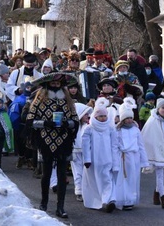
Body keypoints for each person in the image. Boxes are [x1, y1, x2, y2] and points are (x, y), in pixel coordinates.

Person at [25, 71, 79, 218]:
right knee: (46, 173)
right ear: (47, 84)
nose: (56, 86)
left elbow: (75, 120)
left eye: (58, 83)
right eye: (53, 83)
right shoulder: (39, 100)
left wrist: (67, 123)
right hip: (45, 140)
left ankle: (60, 207)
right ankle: (44, 203)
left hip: (64, 140)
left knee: (62, 175)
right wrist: (45, 123)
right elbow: (30, 121)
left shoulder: (68, 101)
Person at [141, 94, 164, 209]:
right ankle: (163, 197)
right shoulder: (153, 121)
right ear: (158, 109)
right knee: (159, 173)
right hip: (157, 151)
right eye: (163, 108)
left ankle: (156, 195)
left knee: (163, 173)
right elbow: (147, 136)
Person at [81, 97, 119, 213]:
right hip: (94, 160)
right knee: (96, 180)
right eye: (100, 116)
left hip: (108, 159)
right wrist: (87, 159)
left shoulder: (110, 128)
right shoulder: (89, 129)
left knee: (108, 179)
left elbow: (114, 145)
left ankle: (109, 200)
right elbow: (86, 145)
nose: (103, 118)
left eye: (104, 116)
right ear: (95, 117)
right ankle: (100, 200)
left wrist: (115, 161)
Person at [114, 97, 149, 211]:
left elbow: (141, 145)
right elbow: (115, 145)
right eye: (126, 118)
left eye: (130, 117)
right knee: (123, 178)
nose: (129, 120)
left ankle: (130, 199)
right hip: (123, 157)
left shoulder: (135, 130)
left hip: (134, 157)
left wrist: (144, 161)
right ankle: (123, 199)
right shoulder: (118, 130)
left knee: (133, 178)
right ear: (122, 119)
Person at [70, 102, 93, 202]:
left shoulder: (87, 126)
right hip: (75, 151)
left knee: (86, 172)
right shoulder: (73, 127)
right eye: (85, 114)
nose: (88, 116)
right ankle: (79, 190)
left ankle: (87, 190)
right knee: (78, 172)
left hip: (86, 152)